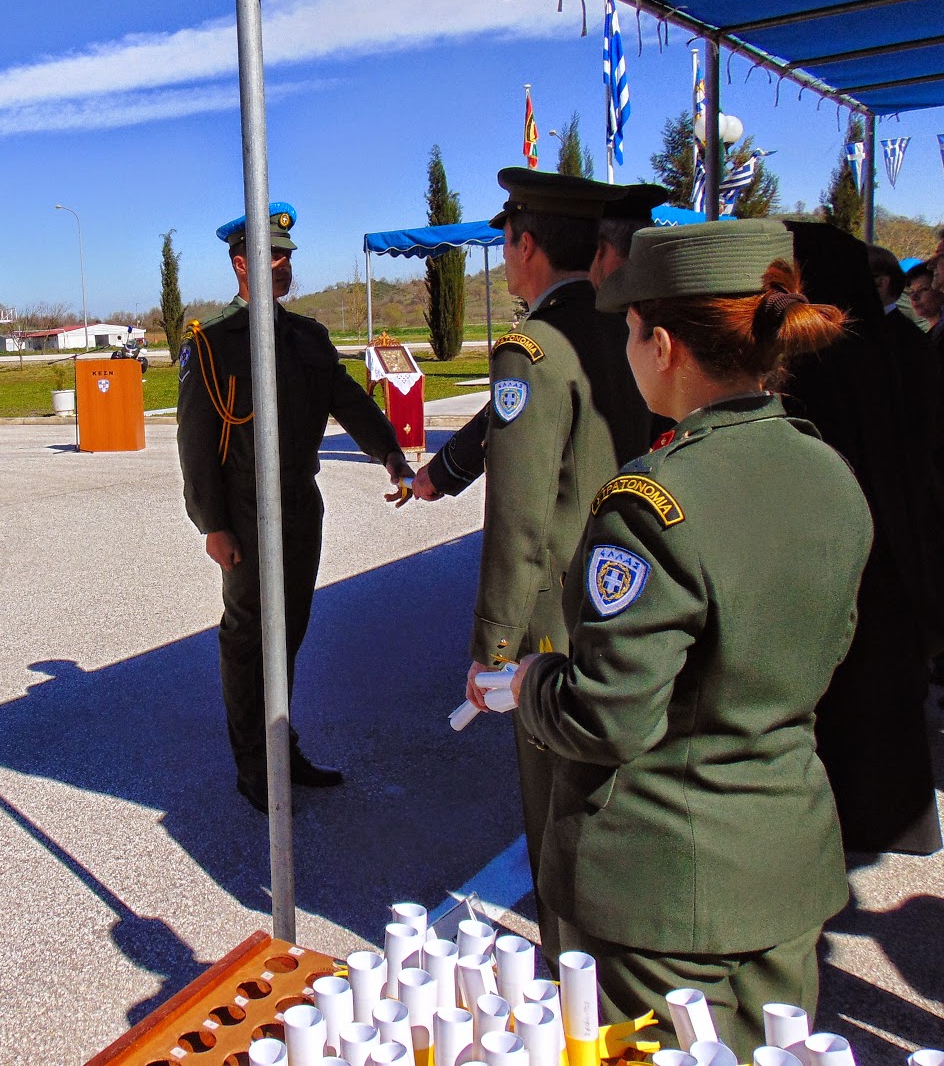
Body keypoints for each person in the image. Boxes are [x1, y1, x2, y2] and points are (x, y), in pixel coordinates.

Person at [496, 219, 869, 1051]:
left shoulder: (653, 504)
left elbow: (608, 718)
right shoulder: (828, 473)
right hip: (782, 873)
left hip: (660, 896)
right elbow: (824, 652)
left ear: (661, 344)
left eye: (628, 332)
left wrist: (529, 686)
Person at [449, 170, 655, 957]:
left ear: (526, 245)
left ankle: (573, 969)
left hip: (556, 616)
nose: (506, 257)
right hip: (630, 592)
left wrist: (492, 648)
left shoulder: (531, 351)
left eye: (506, 242)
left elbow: (521, 522)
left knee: (557, 805)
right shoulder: (624, 327)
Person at [177, 202, 414, 814]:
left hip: (299, 509)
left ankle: (282, 748)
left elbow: (350, 403)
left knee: (289, 634)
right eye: (270, 256)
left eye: (286, 256)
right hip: (245, 515)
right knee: (249, 636)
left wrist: (390, 454)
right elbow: (197, 444)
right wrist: (213, 525)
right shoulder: (213, 347)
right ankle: (255, 767)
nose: (282, 266)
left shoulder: (307, 337)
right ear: (241, 264)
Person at [780, 222, 944, 856]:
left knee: (847, 697)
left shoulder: (820, 361)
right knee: (886, 695)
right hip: (900, 541)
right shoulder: (899, 345)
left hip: (844, 549)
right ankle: (898, 822)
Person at [412, 181, 667, 502]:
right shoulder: (662, 313)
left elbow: (513, 408)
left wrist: (443, 471)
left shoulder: (591, 321)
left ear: (599, 250)